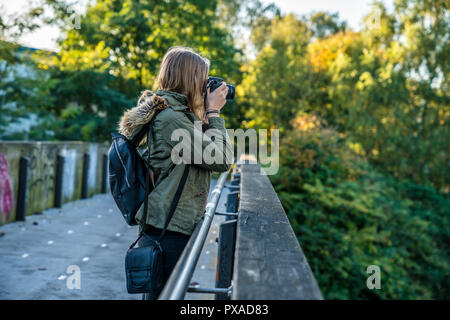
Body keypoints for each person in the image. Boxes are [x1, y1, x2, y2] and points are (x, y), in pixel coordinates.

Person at [118, 46, 232, 299]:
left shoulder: (177, 114)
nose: (206, 85)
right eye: (203, 78)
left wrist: (203, 111)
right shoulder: (171, 118)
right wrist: (214, 112)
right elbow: (222, 159)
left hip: (167, 223)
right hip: (169, 228)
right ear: (190, 79)